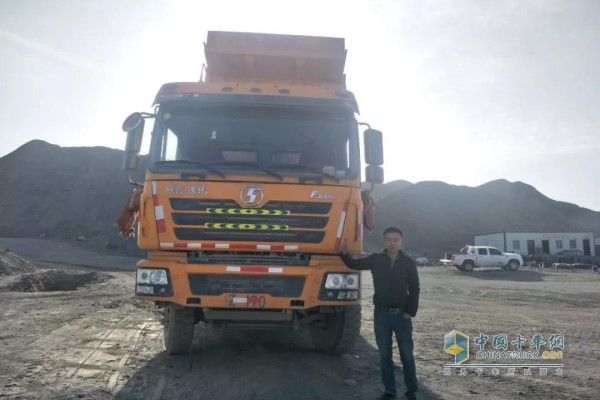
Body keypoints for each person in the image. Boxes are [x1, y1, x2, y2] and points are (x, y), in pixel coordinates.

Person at [340, 227, 420, 400]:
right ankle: (389, 390)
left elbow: (415, 289)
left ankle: (411, 391)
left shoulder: (408, 263)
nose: (392, 243)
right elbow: (355, 264)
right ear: (384, 241)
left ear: (401, 241)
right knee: (385, 355)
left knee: (407, 354)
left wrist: (410, 312)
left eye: (395, 239)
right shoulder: (376, 259)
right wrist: (345, 254)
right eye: (389, 239)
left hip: (402, 316)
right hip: (381, 315)